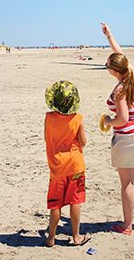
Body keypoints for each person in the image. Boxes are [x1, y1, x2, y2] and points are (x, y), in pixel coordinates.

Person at [100, 23, 134, 234]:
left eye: (107, 66)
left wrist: (107, 121)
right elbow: (119, 54)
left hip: (129, 136)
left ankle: (127, 225)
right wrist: (109, 36)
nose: (107, 69)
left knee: (126, 183)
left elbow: (123, 119)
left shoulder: (120, 89)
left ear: (115, 71)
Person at [44, 81, 90, 247]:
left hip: (57, 166)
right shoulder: (78, 118)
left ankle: (51, 238)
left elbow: (47, 138)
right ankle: (76, 236)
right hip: (75, 165)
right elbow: (83, 142)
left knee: (55, 203)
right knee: (75, 200)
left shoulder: (49, 118)